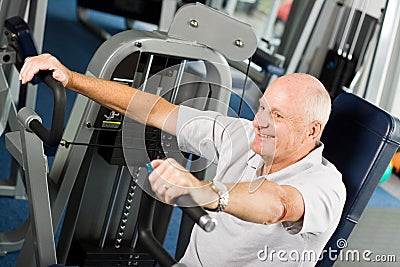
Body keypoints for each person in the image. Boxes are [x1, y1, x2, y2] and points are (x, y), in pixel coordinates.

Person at [20, 53, 346, 266]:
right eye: (262, 107)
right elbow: (159, 111)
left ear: (312, 130)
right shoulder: (246, 135)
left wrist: (205, 191)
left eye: (276, 115)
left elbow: (279, 205)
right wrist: (71, 78)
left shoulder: (326, 186)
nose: (259, 121)